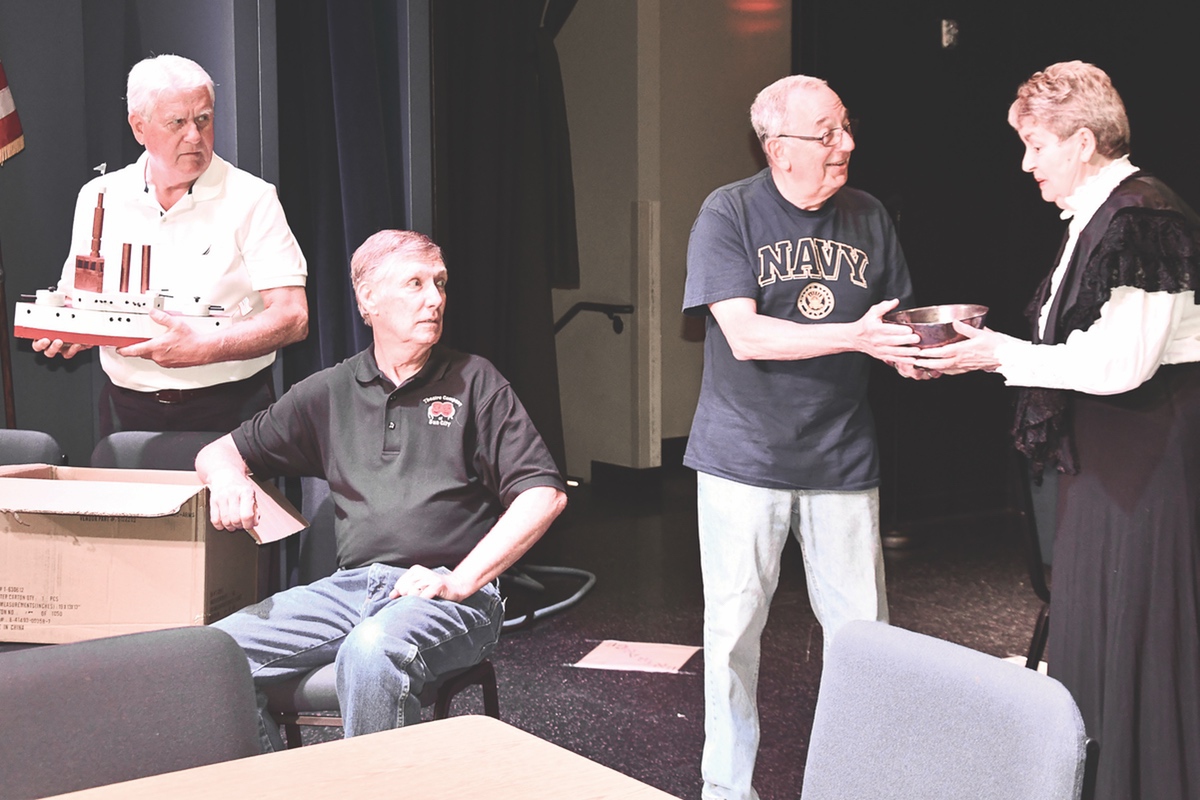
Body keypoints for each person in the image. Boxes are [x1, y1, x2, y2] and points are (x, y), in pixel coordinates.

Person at [916, 61, 1200, 800]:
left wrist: (1001, 353)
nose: (1026, 163)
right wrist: (982, 358)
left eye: (1036, 144)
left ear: (1080, 141)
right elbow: (1073, 355)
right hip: (1105, 466)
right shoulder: (1098, 218)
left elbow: (1124, 363)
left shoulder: (1144, 215)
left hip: (1146, 467)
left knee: (1138, 641)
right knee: (1099, 638)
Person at [197, 228, 567, 752]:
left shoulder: (475, 381)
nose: (434, 299)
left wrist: (459, 582)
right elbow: (217, 453)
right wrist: (229, 477)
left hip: (453, 595)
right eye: (414, 284)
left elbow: (543, 495)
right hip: (353, 588)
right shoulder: (330, 392)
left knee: (371, 650)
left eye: (439, 283)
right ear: (367, 299)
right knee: (214, 655)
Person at [682, 74, 931, 800]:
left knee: (865, 640)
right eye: (825, 134)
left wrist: (913, 353)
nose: (844, 144)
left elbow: (893, 324)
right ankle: (727, 790)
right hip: (741, 459)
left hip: (842, 458)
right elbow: (747, 335)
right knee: (732, 639)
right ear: (778, 147)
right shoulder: (727, 212)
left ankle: (864, 785)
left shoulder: (870, 215)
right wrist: (855, 335)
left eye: (846, 127)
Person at [35, 54, 308, 435]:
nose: (194, 136)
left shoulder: (252, 197)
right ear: (139, 127)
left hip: (231, 411)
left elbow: (293, 317)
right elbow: (77, 296)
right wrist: (70, 331)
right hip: (126, 413)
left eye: (203, 119)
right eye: (177, 123)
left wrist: (205, 348)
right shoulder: (99, 195)